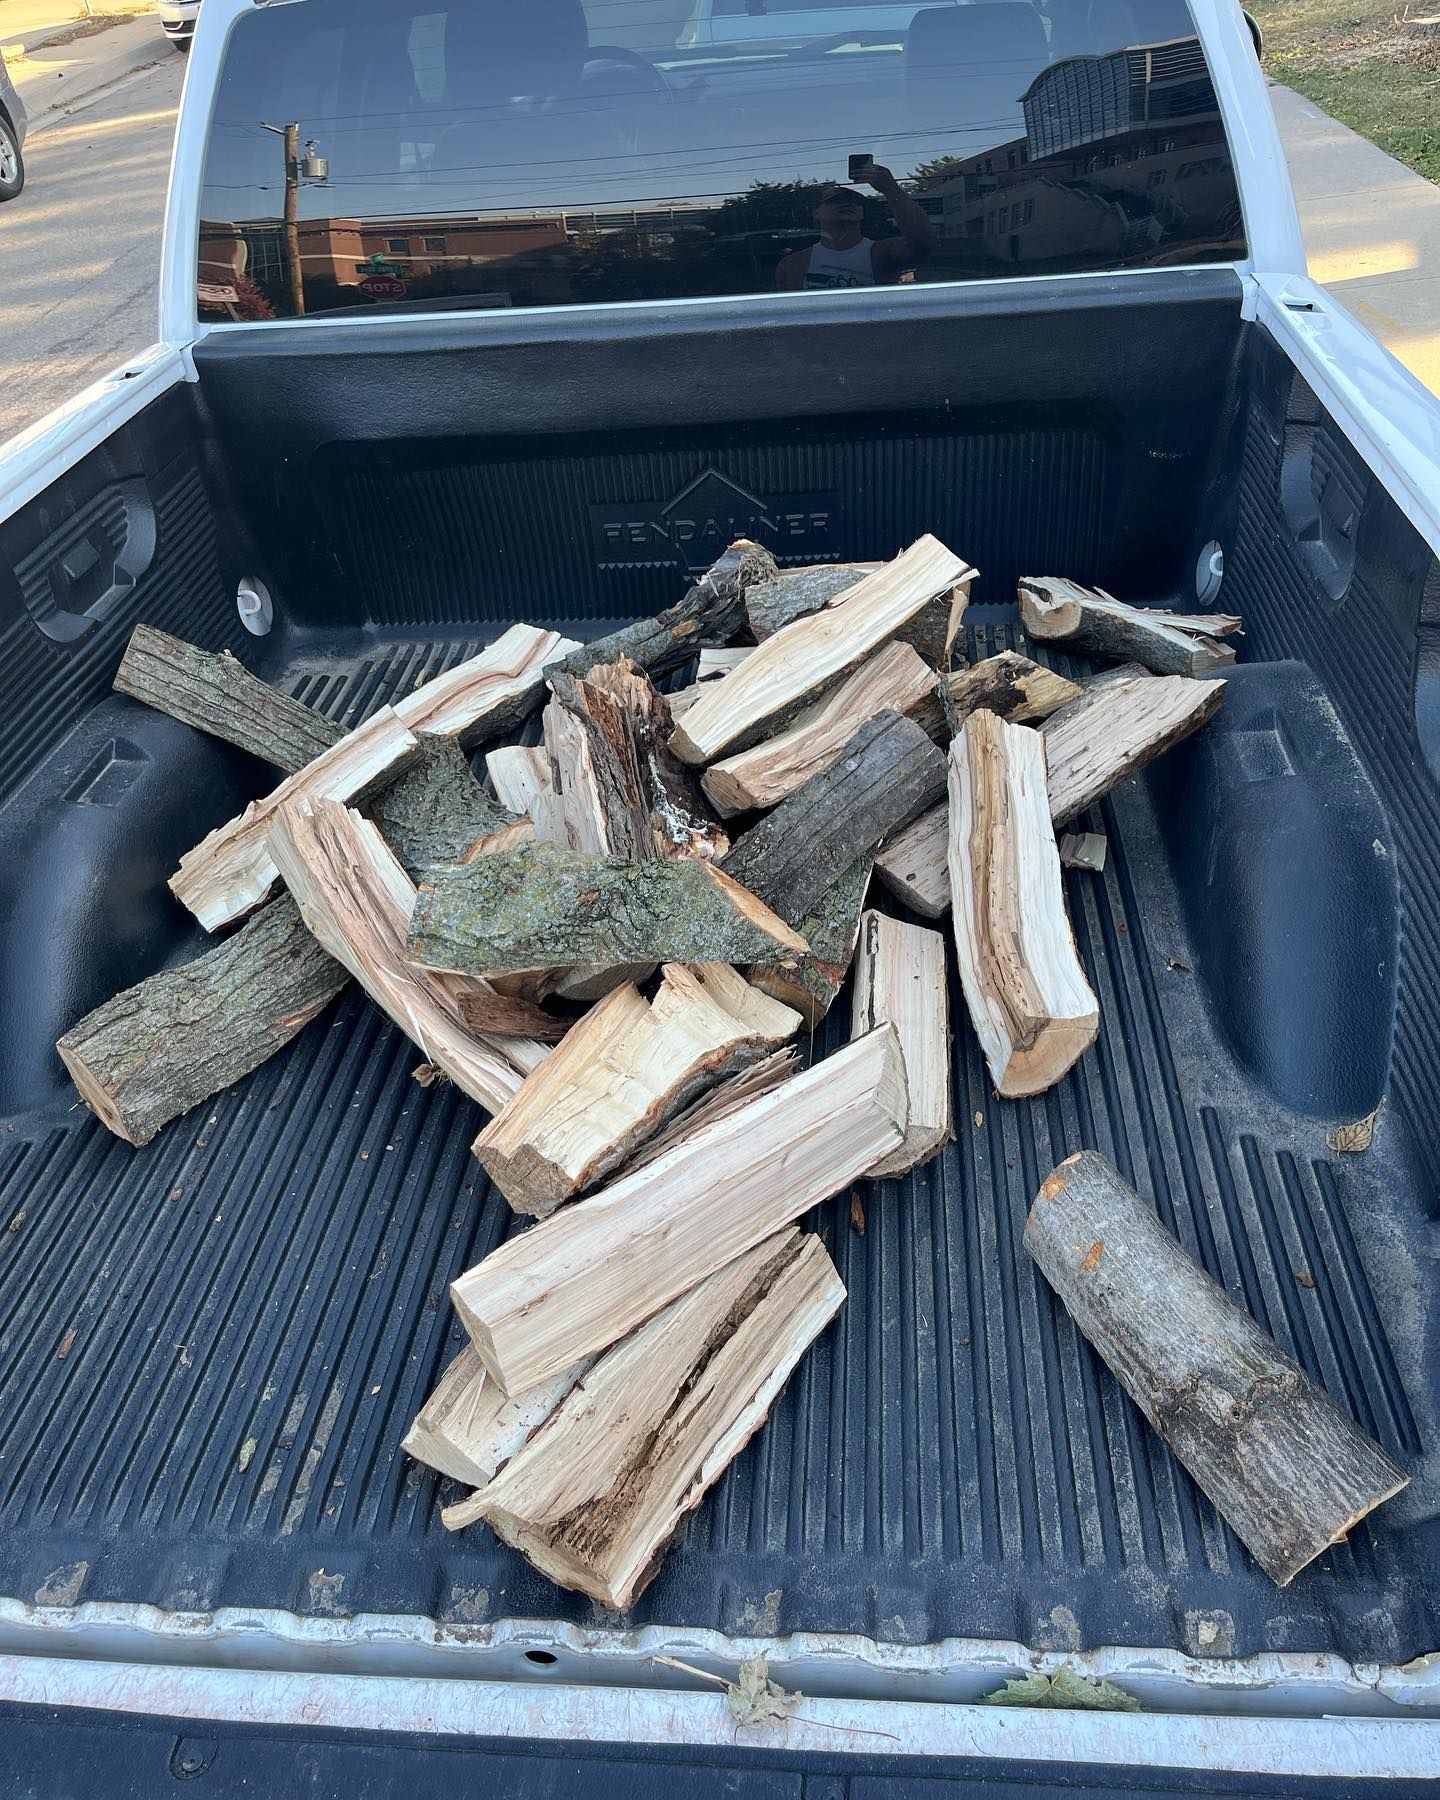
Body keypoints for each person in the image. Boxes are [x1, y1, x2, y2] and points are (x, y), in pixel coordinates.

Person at [775, 162, 937, 292]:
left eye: (854, 201)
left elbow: (924, 241)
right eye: (835, 200)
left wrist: (891, 189)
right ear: (815, 213)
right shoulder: (793, 264)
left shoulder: (883, 252)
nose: (846, 204)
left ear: (862, 214)